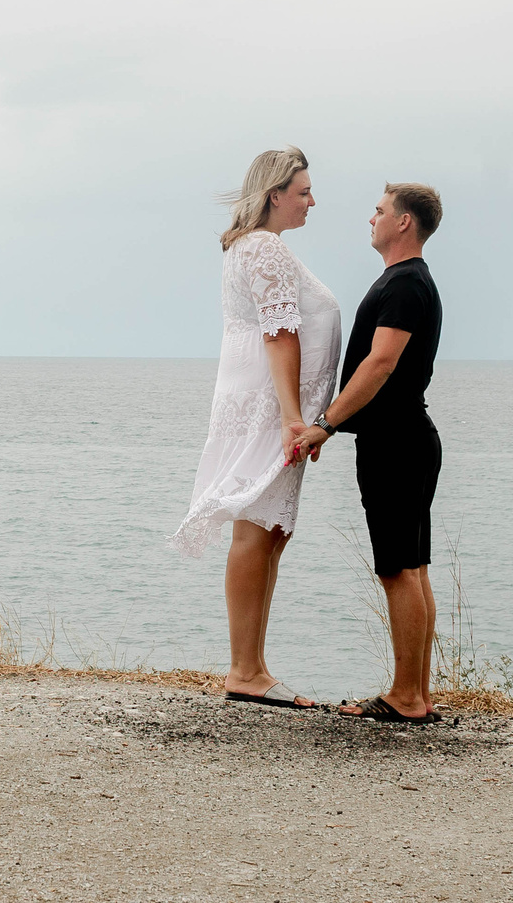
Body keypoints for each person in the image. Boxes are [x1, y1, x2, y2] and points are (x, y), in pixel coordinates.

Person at [168, 147, 342, 710]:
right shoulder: (263, 247)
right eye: (303, 191)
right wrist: (295, 417)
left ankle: (254, 665)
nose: (312, 201)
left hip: (263, 398)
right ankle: (245, 668)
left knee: (270, 528)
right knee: (256, 527)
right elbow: (279, 333)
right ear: (275, 194)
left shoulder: (257, 246)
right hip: (269, 403)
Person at [289, 182, 445, 723]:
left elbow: (379, 364)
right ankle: (416, 695)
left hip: (396, 442)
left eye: (379, 211)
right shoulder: (409, 280)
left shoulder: (405, 284)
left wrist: (325, 424)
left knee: (399, 571)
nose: (371, 219)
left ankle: (406, 698)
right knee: (413, 568)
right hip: (408, 438)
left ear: (404, 222)